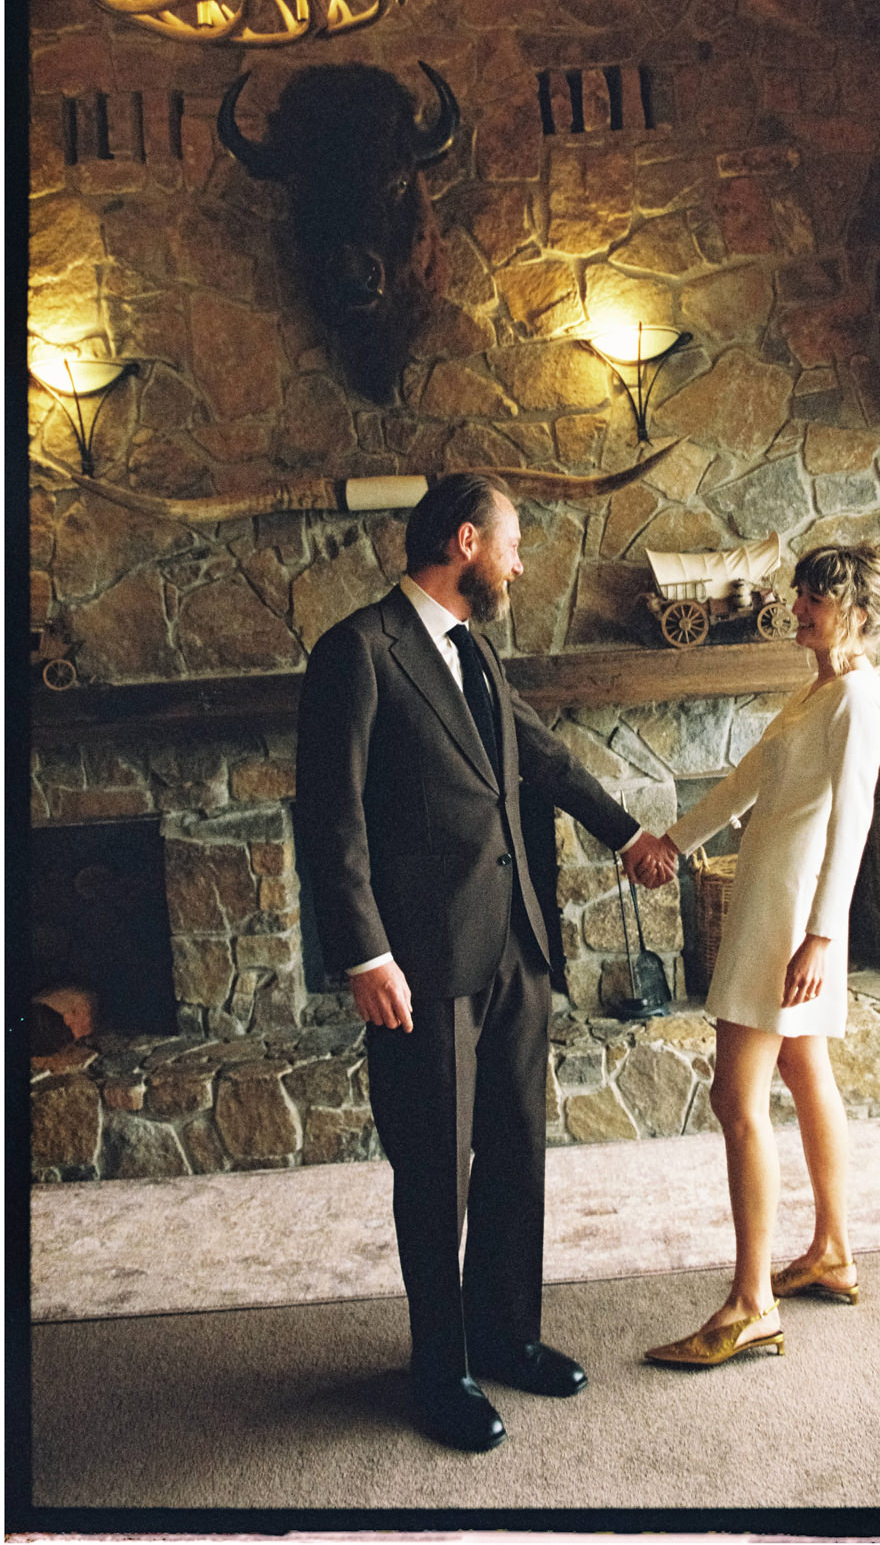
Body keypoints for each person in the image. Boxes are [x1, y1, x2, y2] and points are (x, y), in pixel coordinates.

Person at [295, 473, 677, 1452]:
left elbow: (539, 759)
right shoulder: (358, 650)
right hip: (418, 967)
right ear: (466, 540)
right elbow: (329, 817)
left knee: (515, 1152)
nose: (519, 564)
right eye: (512, 545)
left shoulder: (475, 652)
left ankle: (507, 1334)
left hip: (515, 947)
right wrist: (363, 950)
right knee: (434, 1171)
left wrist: (627, 832)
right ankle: (440, 1371)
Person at [641, 542, 880, 1369]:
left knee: (736, 1097)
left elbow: (855, 824)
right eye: (800, 594)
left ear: (859, 613)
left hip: (792, 914)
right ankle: (832, 1250)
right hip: (774, 902)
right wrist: (671, 843)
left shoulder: (860, 699)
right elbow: (743, 783)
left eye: (814, 599)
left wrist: (824, 937)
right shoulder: (815, 695)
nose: (796, 607)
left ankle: (752, 1302)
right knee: (805, 1073)